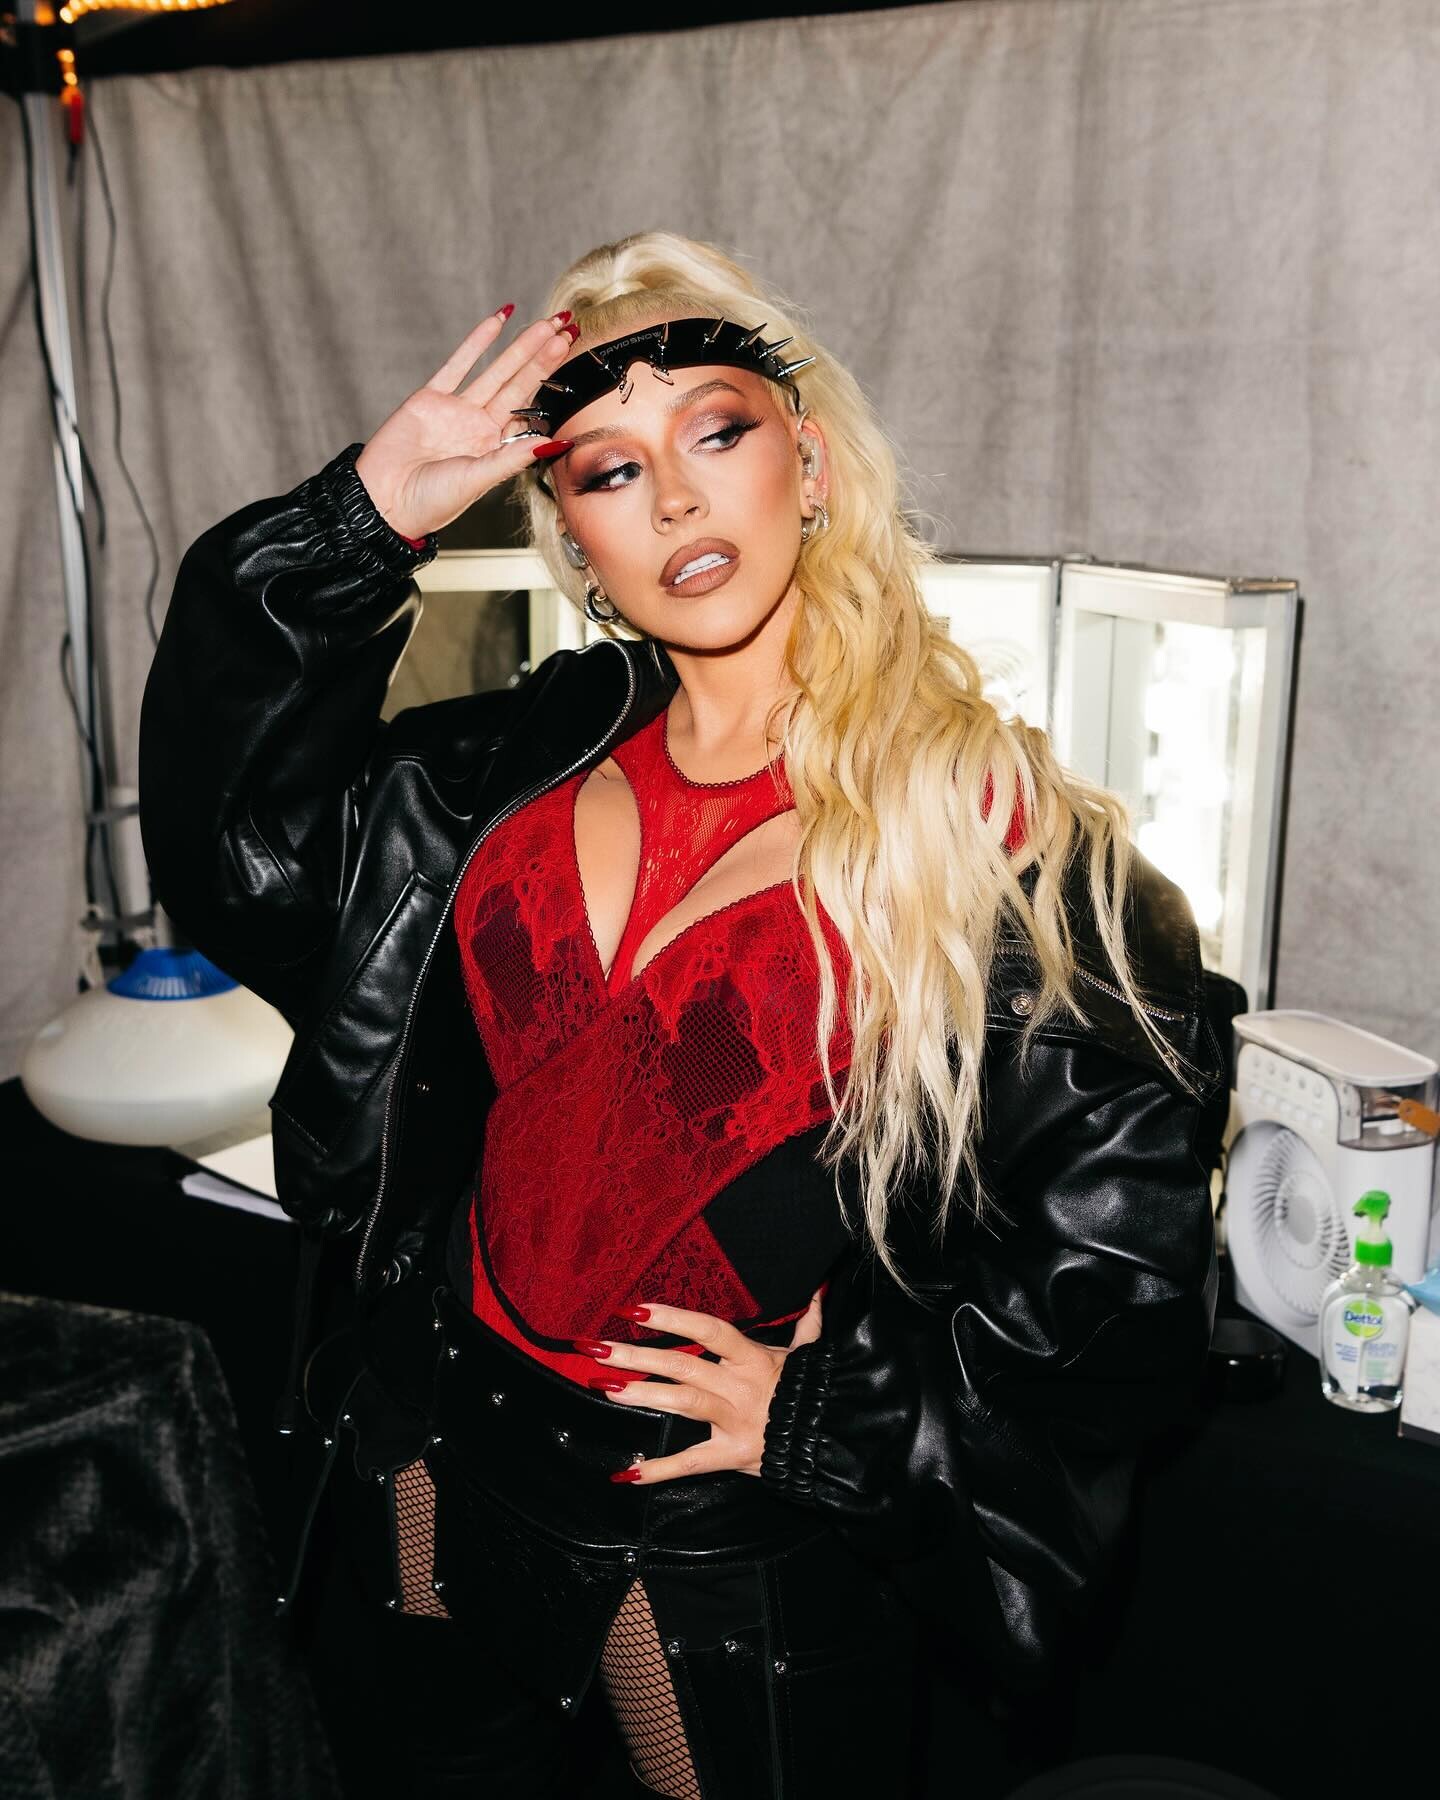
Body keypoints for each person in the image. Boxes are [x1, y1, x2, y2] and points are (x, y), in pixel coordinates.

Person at [137, 230, 1225, 1799]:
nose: (673, 500)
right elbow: (239, 851)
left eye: (714, 431)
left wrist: (834, 1418)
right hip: (427, 1443)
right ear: (574, 540)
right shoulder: (501, 773)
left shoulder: (1000, 845)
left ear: (813, 463)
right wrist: (363, 522)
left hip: (699, 1535)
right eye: (608, 468)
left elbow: (1120, 1286)